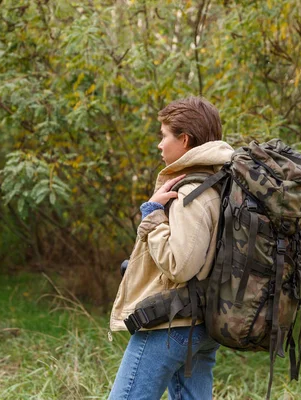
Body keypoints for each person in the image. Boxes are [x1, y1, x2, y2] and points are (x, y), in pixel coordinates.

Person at [108, 96, 234, 400]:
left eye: (164, 136)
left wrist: (152, 213)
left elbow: (180, 265)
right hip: (204, 323)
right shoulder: (219, 183)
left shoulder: (192, 193)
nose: (160, 145)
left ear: (185, 139)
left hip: (173, 325)